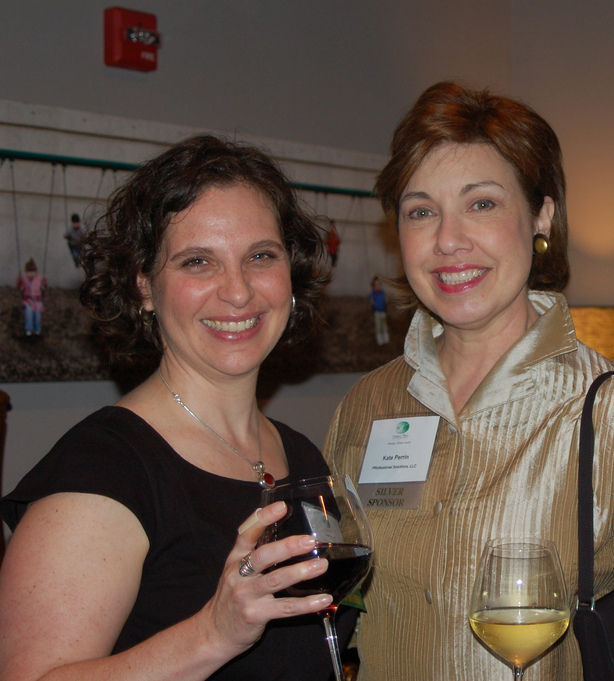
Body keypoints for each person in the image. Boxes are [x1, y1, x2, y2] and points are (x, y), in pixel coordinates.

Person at [322, 81, 614, 680]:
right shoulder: (365, 407)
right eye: (421, 211)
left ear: (541, 215)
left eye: (481, 204)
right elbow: (338, 601)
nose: (448, 240)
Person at [0, 134, 337, 681]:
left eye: (260, 256)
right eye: (198, 262)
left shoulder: (301, 457)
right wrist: (213, 634)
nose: (237, 291)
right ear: (143, 286)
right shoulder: (102, 471)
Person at [15, 257, 46, 336]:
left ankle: (37, 329)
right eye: (29, 272)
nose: (31, 274)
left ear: (36, 272)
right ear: (26, 272)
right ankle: (29, 329)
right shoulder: (23, 279)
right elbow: (18, 287)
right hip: (28, 301)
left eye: (33, 272)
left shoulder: (39, 278)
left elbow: (45, 285)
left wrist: (45, 281)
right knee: (28, 314)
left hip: (38, 300)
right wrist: (18, 280)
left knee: (37, 316)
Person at [369, 275, 388, 345]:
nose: (378, 286)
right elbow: (370, 299)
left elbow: (384, 301)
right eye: (376, 285)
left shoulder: (382, 293)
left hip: (383, 311)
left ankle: (386, 339)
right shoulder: (373, 294)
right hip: (377, 312)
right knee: (378, 326)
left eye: (379, 284)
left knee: (384, 326)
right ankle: (380, 340)